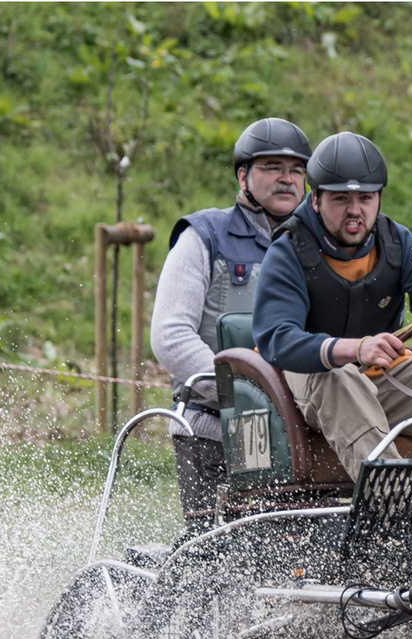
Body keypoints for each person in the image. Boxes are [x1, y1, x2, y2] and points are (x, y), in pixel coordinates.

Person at [252, 131, 412, 481]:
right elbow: (277, 339)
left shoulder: (399, 242)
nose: (355, 211)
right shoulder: (287, 252)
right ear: (315, 199)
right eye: (341, 199)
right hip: (309, 382)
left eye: (366, 198)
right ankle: (390, 502)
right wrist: (355, 348)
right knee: (340, 375)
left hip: (382, 375)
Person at [150, 117, 312, 524]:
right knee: (217, 565)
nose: (287, 179)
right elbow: (170, 336)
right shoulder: (203, 236)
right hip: (213, 431)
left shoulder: (318, 247)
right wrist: (242, 398)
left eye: (296, 170)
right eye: (273, 168)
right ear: (243, 176)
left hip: (301, 437)